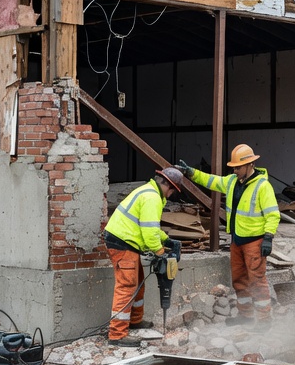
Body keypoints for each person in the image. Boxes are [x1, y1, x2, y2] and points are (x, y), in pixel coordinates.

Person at [176, 145, 279, 324]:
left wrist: (268, 237)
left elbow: (272, 214)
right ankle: (245, 316)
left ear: (249, 164)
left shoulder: (263, 186)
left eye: (238, 167)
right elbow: (212, 181)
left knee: (257, 282)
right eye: (234, 167)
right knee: (239, 280)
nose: (235, 170)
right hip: (237, 241)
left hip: (255, 242)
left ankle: (264, 320)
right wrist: (191, 173)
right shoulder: (232, 181)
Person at [102, 167, 183, 346]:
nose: (171, 195)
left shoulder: (149, 192)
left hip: (128, 242)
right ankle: (117, 334)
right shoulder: (152, 197)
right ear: (167, 184)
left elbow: (150, 228)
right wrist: (160, 252)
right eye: (172, 190)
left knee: (138, 282)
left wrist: (167, 240)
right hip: (122, 243)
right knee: (127, 285)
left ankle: (135, 321)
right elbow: (149, 232)